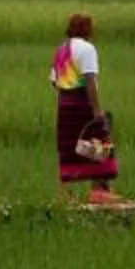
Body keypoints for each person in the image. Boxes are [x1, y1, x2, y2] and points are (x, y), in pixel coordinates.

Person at [51, 12, 122, 206]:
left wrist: (67, 95)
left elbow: (54, 82)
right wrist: (97, 110)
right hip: (82, 102)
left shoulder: (61, 50)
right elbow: (90, 80)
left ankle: (65, 194)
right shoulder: (87, 49)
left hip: (64, 102)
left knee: (68, 147)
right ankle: (98, 190)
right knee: (99, 142)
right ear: (87, 29)